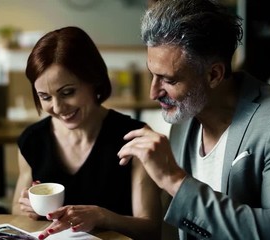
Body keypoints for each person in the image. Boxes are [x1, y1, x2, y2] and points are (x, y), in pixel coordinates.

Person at [117, 0, 270, 239]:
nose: (153, 93)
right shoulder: (184, 117)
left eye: (169, 81)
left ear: (214, 74)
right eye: (153, 75)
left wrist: (173, 179)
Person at [11, 26, 163, 240]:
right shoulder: (32, 141)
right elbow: (16, 213)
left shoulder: (134, 137)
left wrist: (102, 217)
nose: (58, 107)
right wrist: (30, 208)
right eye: (45, 97)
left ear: (94, 80)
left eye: (67, 93)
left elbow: (151, 230)